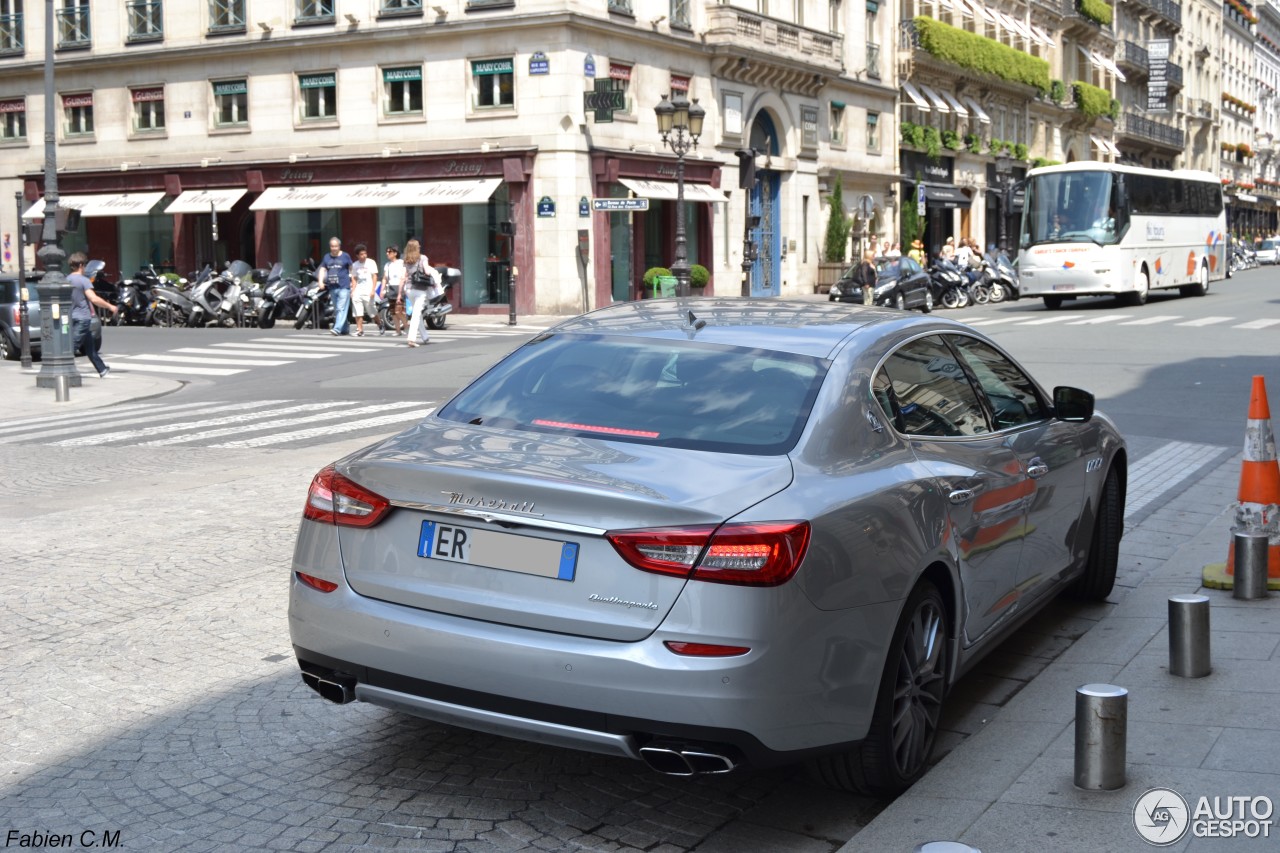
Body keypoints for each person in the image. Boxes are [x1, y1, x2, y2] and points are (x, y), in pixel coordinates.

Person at [68, 252, 118, 378]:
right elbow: (93, 299)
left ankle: (102, 369)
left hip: (71, 317)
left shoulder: (67, 279)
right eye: (84, 265)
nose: (85, 268)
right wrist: (110, 306)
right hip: (83, 318)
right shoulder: (83, 280)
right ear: (81, 265)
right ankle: (65, 371)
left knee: (90, 347)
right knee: (72, 347)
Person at [402, 238, 440, 348]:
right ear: (416, 247)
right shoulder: (423, 258)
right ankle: (411, 339)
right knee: (416, 314)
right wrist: (434, 277)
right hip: (420, 290)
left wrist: (401, 292)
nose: (420, 247)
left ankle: (425, 336)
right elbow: (427, 271)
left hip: (409, 289)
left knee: (416, 313)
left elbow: (404, 276)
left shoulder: (406, 260)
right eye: (418, 246)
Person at [317, 236, 354, 336]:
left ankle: (337, 328)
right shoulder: (326, 257)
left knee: (340, 308)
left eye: (336, 246)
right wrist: (320, 281)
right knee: (338, 308)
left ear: (339, 246)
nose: (334, 248)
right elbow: (322, 269)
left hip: (344, 286)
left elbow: (351, 268)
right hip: (332, 287)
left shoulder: (345, 256)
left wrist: (352, 281)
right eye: (332, 246)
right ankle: (345, 328)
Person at [349, 243, 379, 337]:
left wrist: (373, 290)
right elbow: (354, 278)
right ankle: (360, 330)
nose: (364, 256)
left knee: (372, 312)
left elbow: (374, 276)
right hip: (358, 290)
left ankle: (380, 323)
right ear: (357, 255)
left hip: (368, 290)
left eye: (365, 253)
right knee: (357, 311)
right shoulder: (354, 265)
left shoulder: (371, 262)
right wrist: (353, 291)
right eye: (361, 254)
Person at [383, 245, 407, 336]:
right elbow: (385, 278)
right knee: (393, 311)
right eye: (387, 252)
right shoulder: (387, 265)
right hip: (391, 288)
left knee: (399, 311)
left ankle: (406, 326)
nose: (387, 253)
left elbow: (403, 277)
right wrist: (382, 290)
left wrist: (400, 293)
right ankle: (398, 330)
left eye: (389, 252)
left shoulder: (401, 263)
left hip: (400, 288)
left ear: (395, 253)